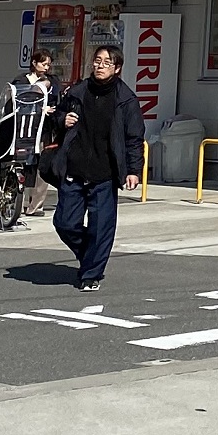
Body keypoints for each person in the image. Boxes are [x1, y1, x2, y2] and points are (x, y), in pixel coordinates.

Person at [52, 45, 144, 291]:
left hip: (105, 173)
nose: (100, 66)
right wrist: (63, 119)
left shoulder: (126, 100)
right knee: (65, 223)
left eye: (107, 62)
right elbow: (57, 116)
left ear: (117, 68)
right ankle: (89, 255)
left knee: (100, 227)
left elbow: (134, 138)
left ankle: (91, 274)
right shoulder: (78, 92)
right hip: (74, 168)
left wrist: (133, 170)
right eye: (98, 60)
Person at [17, 49, 59, 219]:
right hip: (24, 129)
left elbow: (56, 101)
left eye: (48, 64)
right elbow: (16, 101)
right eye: (43, 63)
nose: (46, 67)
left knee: (42, 166)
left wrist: (50, 110)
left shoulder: (52, 82)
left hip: (44, 130)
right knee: (23, 165)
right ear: (34, 63)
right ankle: (19, 202)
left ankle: (36, 205)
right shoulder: (21, 80)